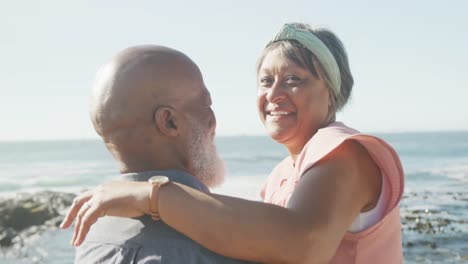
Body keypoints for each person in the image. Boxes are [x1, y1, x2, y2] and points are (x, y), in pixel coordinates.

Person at [61, 23, 405, 263]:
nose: (274, 94)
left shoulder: (344, 151)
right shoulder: (282, 174)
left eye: (293, 80)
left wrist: (150, 195)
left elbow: (304, 243)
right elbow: (247, 233)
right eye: (266, 80)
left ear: (330, 92)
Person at [68, 45, 252, 263]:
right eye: (206, 105)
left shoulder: (92, 235)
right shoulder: (232, 244)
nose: (213, 120)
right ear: (169, 121)